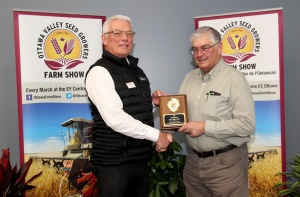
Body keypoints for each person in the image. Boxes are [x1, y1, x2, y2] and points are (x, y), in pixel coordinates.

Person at [152, 26, 255, 197]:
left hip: (226, 165)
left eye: (205, 47)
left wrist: (205, 127)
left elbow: (247, 124)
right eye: (195, 49)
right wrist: (164, 105)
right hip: (194, 164)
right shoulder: (189, 77)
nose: (199, 54)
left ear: (220, 48)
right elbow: (180, 114)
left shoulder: (234, 79)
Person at [85, 15, 172, 197]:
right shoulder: (99, 72)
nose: (124, 38)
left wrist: (153, 105)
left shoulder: (137, 71)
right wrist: (157, 136)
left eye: (129, 33)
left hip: (138, 161)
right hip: (114, 166)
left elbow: (133, 110)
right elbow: (115, 118)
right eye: (117, 33)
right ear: (104, 38)